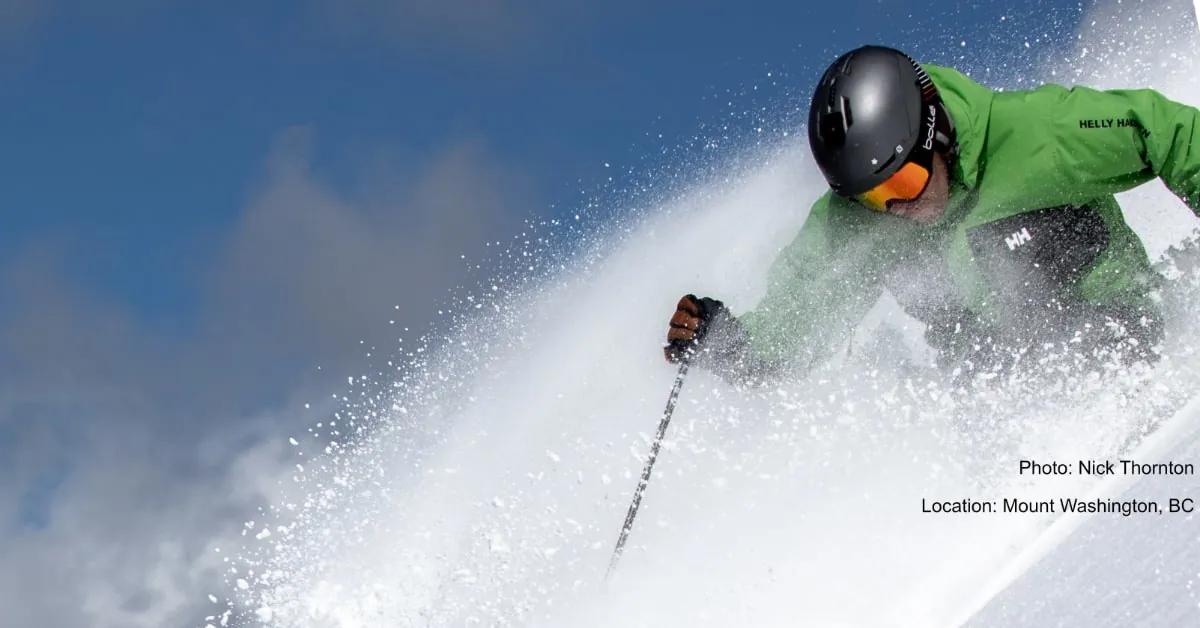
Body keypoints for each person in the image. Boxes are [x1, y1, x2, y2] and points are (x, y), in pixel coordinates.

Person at [663, 44, 1200, 387]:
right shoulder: (859, 228)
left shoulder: (1036, 137)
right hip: (1002, 400)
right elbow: (801, 319)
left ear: (936, 132)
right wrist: (731, 345)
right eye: (875, 199)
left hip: (1126, 338)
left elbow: (1169, 132)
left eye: (903, 180)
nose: (900, 207)